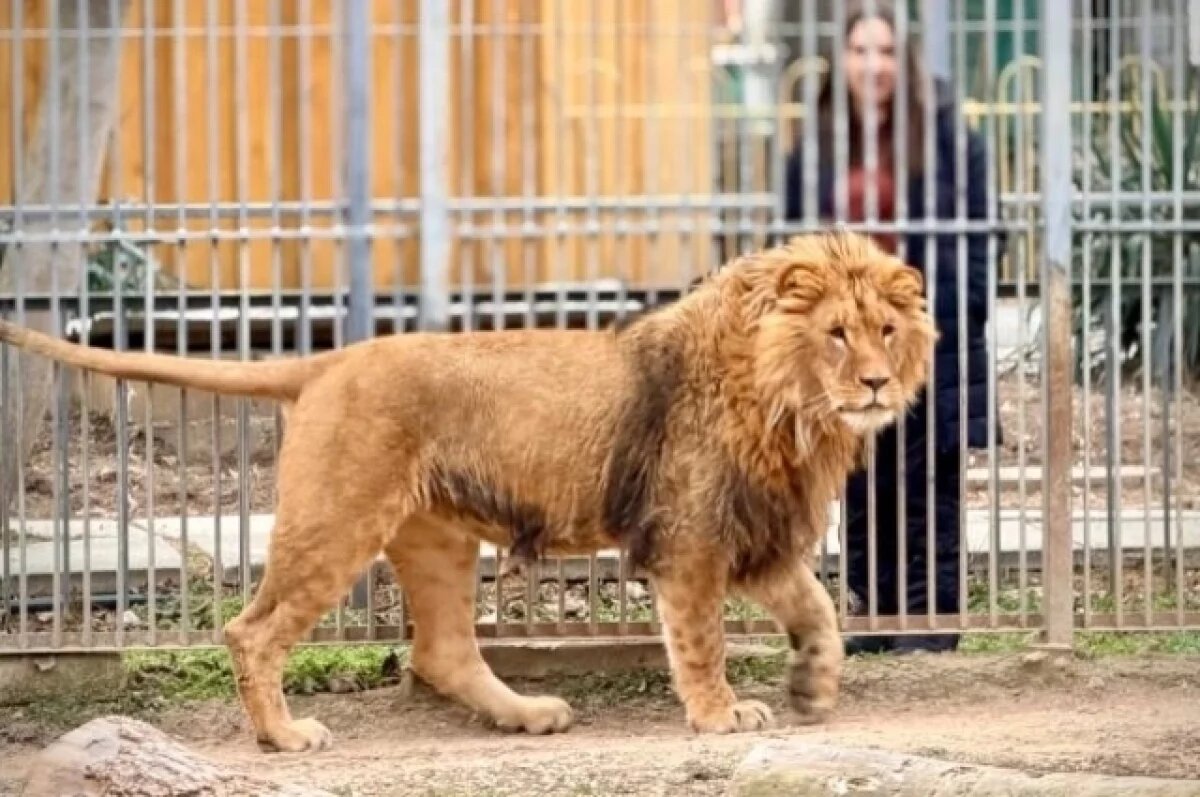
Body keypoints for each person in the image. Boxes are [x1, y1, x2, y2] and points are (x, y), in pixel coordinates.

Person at [781, 0, 998, 654]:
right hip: (844, 350)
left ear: (901, 62)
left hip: (923, 338)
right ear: (840, 62)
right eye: (859, 52)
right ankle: (875, 616)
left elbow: (981, 240)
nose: (871, 66)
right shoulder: (819, 142)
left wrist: (947, 314)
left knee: (928, 483)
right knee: (861, 484)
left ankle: (928, 623)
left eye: (882, 52)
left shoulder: (947, 139)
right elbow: (793, 248)